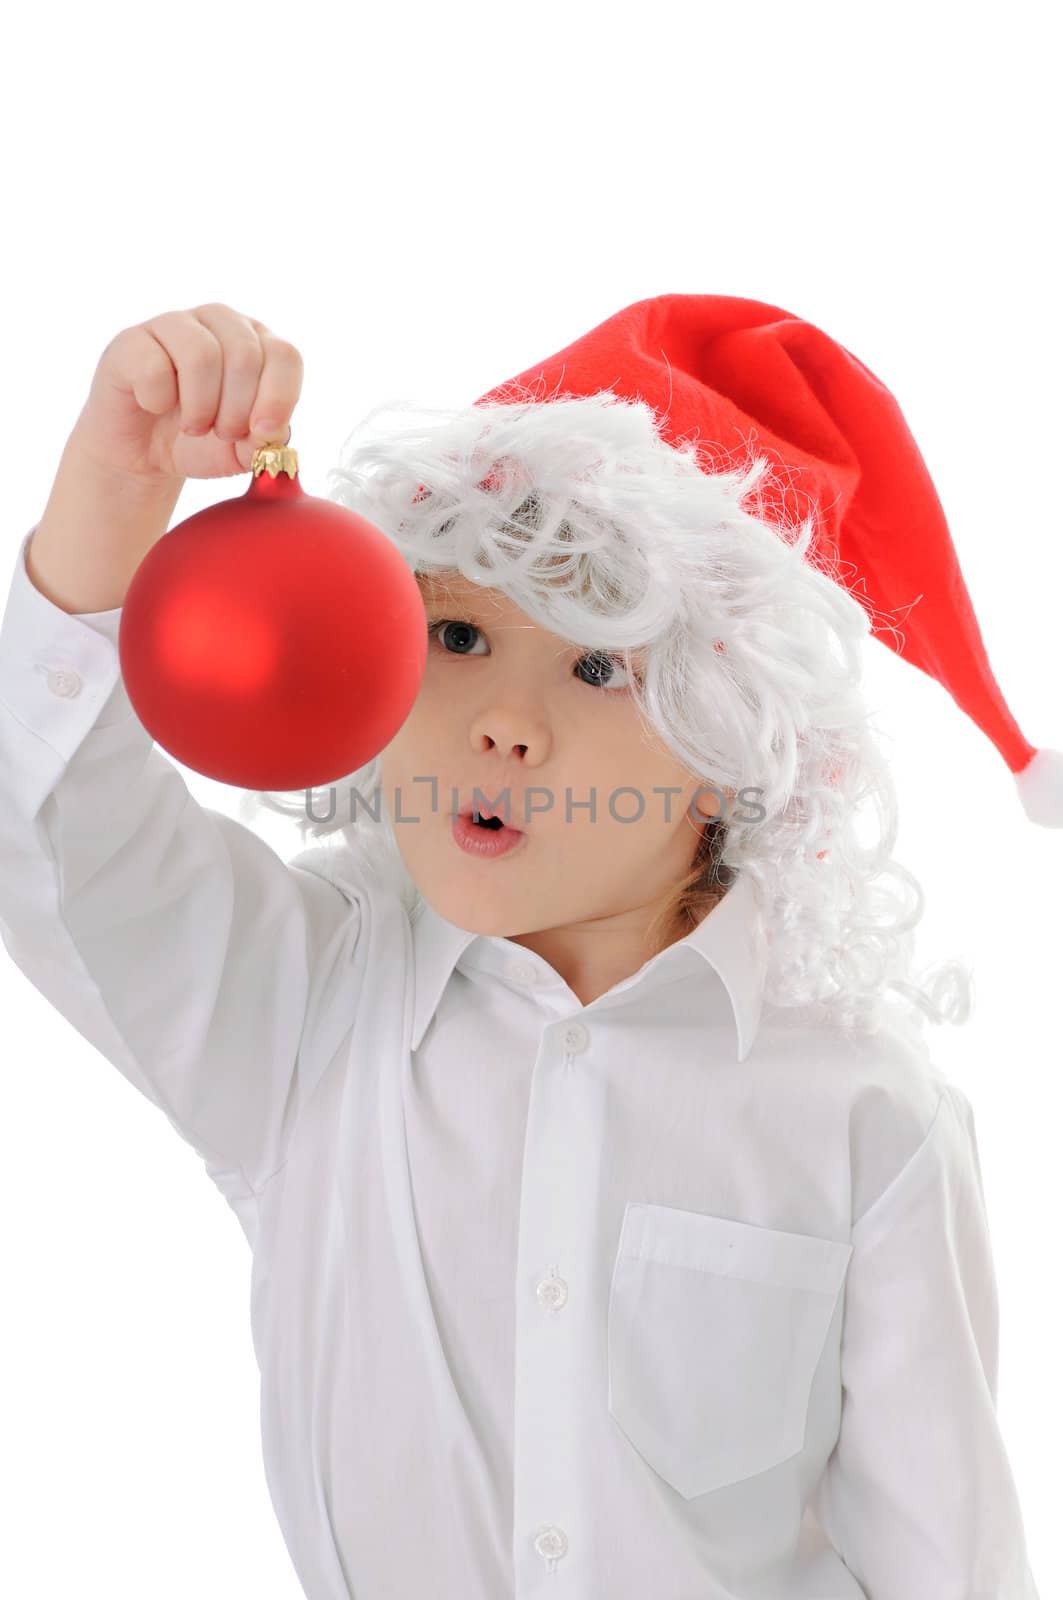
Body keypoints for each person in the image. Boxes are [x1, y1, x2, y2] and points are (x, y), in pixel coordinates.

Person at [0, 295, 1048, 1599]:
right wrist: (110, 503)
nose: (504, 723)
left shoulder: (859, 1113)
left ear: (736, 744)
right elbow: (58, 835)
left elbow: (947, 1561)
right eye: (459, 635)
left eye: (600, 669)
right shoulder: (307, 1010)